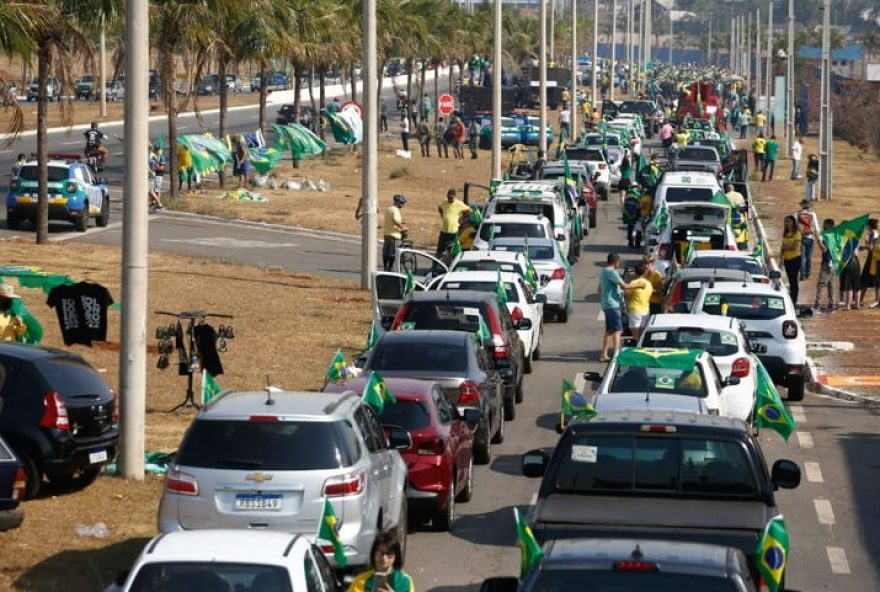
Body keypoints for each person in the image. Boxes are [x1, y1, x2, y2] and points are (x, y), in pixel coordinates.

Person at [349, 532, 414, 592]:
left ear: (396, 556)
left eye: (389, 553)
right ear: (374, 553)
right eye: (381, 553)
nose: (384, 558)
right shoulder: (360, 581)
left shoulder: (405, 581)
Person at [598, 252, 630, 363]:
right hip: (613, 304)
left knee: (609, 331)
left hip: (606, 303)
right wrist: (639, 285)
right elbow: (624, 285)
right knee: (618, 330)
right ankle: (617, 354)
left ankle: (604, 354)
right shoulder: (612, 272)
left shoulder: (603, 272)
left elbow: (599, 288)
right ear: (616, 262)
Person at [436, 189, 471, 257]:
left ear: (454, 197)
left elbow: (469, 210)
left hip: (454, 232)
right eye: (448, 197)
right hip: (444, 231)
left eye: (451, 197)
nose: (449, 199)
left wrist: (462, 218)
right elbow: (439, 208)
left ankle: (451, 263)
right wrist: (443, 216)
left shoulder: (459, 204)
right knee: (439, 250)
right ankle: (435, 266)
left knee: (453, 250)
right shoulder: (444, 202)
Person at [624, 262, 653, 339]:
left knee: (635, 332)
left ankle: (637, 345)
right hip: (646, 310)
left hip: (635, 310)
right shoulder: (649, 283)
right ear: (644, 272)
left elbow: (627, 296)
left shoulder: (633, 283)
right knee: (643, 332)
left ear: (635, 273)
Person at [814, 218, 836, 312]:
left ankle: (817, 305)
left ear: (828, 225)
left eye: (825, 224)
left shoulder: (827, 236)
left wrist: (818, 240)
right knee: (831, 284)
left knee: (821, 284)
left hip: (827, 263)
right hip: (834, 262)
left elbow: (824, 250)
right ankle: (832, 304)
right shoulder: (835, 235)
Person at [383, 194, 408, 271]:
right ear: (397, 202)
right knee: (392, 253)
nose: (403, 204)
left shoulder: (389, 209)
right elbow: (395, 221)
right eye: (402, 203)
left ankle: (385, 267)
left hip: (387, 233)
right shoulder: (395, 210)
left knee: (386, 252)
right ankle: (390, 268)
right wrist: (403, 228)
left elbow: (391, 222)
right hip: (394, 235)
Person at [780, 215, 802, 305]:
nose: (788, 223)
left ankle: (794, 300)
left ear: (793, 222)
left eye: (789, 221)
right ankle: (792, 297)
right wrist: (781, 260)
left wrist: (786, 247)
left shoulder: (797, 233)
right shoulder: (786, 234)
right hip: (787, 259)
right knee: (790, 280)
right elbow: (782, 247)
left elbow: (794, 246)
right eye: (786, 221)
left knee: (794, 281)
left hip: (795, 259)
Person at [796, 199, 819, 280]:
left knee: (802, 257)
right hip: (810, 238)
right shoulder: (812, 214)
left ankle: (802, 273)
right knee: (809, 257)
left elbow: (795, 226)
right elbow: (816, 227)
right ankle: (808, 273)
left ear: (802, 205)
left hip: (801, 238)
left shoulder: (797, 214)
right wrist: (818, 236)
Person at [859, 219, 880, 308]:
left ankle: (876, 301)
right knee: (867, 279)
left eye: (867, 225)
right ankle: (860, 300)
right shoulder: (875, 234)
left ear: (869, 226)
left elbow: (871, 248)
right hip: (872, 258)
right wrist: (864, 247)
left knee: (874, 280)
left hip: (874, 259)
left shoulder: (873, 235)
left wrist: (866, 242)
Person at [839, 239, 861, 310]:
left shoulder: (844, 240)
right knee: (856, 284)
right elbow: (856, 253)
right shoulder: (856, 238)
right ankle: (857, 305)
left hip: (848, 262)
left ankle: (847, 305)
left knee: (849, 285)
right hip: (856, 262)